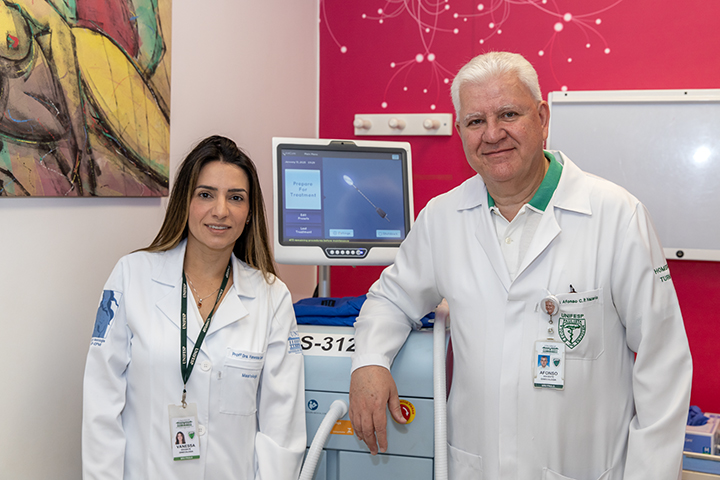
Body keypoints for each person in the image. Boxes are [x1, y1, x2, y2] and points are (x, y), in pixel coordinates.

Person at [348, 52, 692, 480]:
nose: (493, 134)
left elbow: (664, 361)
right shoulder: (443, 216)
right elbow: (390, 299)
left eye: (509, 113)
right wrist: (369, 362)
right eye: (475, 122)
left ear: (543, 118)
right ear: (460, 132)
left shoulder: (616, 215)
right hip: (478, 465)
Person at [82, 135, 306, 479]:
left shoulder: (271, 297)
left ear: (249, 213)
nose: (221, 210)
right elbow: (101, 403)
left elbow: (282, 427)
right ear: (185, 202)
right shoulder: (132, 276)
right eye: (206, 195)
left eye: (236, 198)